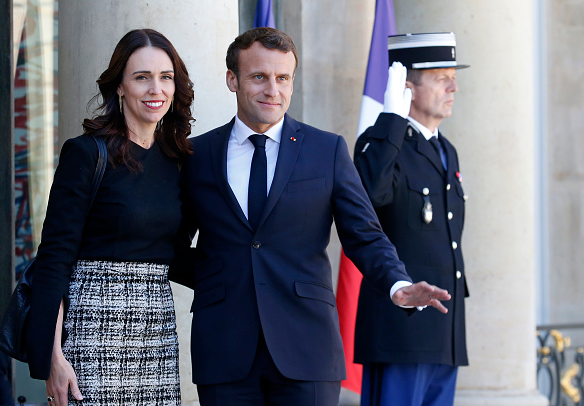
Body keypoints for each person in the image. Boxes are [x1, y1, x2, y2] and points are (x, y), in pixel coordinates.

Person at [170, 27, 450, 406]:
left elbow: (364, 234)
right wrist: (217, 275)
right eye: (259, 77)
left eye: (283, 78)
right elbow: (170, 241)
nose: (273, 90)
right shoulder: (196, 156)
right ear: (232, 79)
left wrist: (397, 285)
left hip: (308, 349)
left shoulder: (326, 150)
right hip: (224, 350)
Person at [24, 28, 194, 406]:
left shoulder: (179, 162)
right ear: (119, 87)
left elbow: (174, 254)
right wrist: (54, 358)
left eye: (166, 77)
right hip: (94, 327)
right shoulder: (86, 154)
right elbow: (55, 260)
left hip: (157, 330)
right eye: (142, 77)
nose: (156, 89)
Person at [353, 32, 470, 406]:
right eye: (440, 77)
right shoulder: (382, 143)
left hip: (442, 329)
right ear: (408, 87)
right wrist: (390, 121)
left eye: (453, 76)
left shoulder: (445, 149)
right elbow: (367, 199)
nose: (453, 86)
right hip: (400, 329)